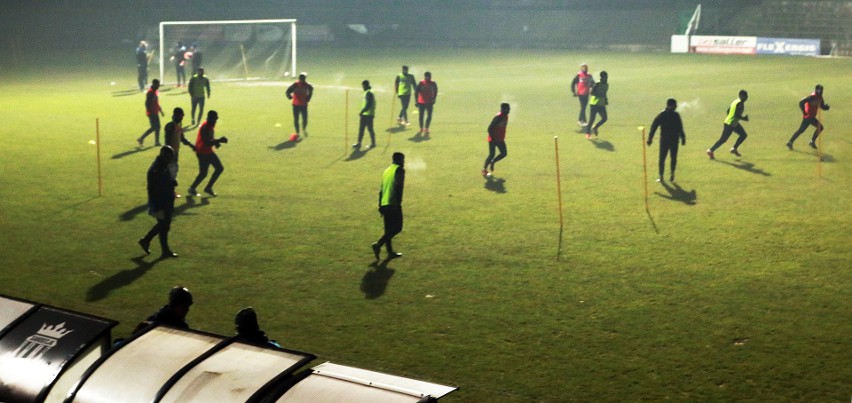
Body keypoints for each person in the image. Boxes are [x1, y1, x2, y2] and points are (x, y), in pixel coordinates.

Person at [138, 146, 179, 258]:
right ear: (164, 156)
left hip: (165, 200)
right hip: (159, 201)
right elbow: (156, 188)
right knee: (164, 224)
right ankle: (164, 250)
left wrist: (172, 184)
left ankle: (146, 241)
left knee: (164, 224)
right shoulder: (156, 169)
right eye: (169, 157)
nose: (171, 160)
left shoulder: (162, 166)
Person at [372, 152, 406, 260]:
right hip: (393, 203)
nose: (404, 162)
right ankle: (378, 244)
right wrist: (398, 203)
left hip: (384, 203)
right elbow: (398, 186)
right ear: (400, 160)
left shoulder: (387, 170)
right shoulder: (399, 170)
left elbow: (381, 189)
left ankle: (390, 252)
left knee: (388, 229)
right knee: (397, 227)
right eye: (403, 160)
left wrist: (380, 205)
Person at [188, 110, 228, 197]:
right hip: (202, 152)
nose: (215, 121)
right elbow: (206, 142)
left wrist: (216, 142)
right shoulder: (206, 126)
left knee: (218, 168)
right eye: (214, 119)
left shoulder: (209, 125)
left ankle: (205, 188)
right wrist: (219, 140)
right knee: (205, 172)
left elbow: (210, 138)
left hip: (207, 151)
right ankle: (194, 188)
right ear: (210, 118)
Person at [647, 98, 686, 182]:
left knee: (662, 159)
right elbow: (680, 128)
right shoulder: (676, 115)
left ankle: (661, 176)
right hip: (674, 140)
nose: (676, 107)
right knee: (673, 158)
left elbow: (653, 127)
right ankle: (672, 174)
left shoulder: (661, 115)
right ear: (671, 105)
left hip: (664, 140)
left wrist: (650, 138)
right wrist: (683, 138)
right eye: (675, 105)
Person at [163, 107, 196, 198]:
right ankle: (169, 192)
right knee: (171, 172)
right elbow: (168, 140)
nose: (182, 117)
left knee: (172, 172)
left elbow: (182, 138)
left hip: (175, 152)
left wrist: (191, 146)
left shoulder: (178, 125)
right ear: (176, 115)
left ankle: (168, 191)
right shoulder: (171, 125)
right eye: (181, 116)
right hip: (170, 153)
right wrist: (169, 153)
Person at [707, 90, 749, 159]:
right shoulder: (739, 104)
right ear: (742, 96)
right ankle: (710, 150)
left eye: (746, 96)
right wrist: (744, 118)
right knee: (723, 139)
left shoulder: (736, 101)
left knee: (743, 135)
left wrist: (731, 118)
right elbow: (736, 115)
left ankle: (734, 148)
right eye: (745, 96)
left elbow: (728, 111)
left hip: (733, 123)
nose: (746, 98)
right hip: (730, 124)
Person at [786, 84, 831, 150]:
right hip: (808, 117)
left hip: (812, 117)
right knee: (802, 130)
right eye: (820, 91)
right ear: (816, 91)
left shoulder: (820, 98)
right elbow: (801, 103)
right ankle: (791, 142)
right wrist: (804, 112)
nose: (821, 92)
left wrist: (826, 107)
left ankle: (810, 141)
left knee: (819, 128)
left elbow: (821, 106)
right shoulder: (812, 97)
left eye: (822, 91)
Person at [482, 103, 510, 177]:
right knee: (491, 154)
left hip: (500, 139)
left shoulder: (505, 116)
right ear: (503, 109)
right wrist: (493, 138)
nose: (509, 110)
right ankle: (484, 170)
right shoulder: (499, 117)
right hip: (493, 139)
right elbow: (490, 128)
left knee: (504, 153)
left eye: (509, 109)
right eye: (507, 109)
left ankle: (493, 161)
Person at [285, 72, 313, 139]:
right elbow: (288, 91)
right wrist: (289, 96)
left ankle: (303, 129)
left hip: (303, 105)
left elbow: (310, 92)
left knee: (304, 119)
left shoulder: (308, 86)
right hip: (296, 105)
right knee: (296, 119)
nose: (302, 79)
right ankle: (297, 132)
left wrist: (308, 99)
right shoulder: (295, 85)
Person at [137, 79, 165, 147]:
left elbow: (156, 102)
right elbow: (147, 103)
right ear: (155, 84)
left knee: (154, 127)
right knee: (157, 127)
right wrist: (150, 111)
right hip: (152, 112)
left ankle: (141, 138)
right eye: (158, 85)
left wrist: (160, 110)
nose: (158, 86)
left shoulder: (154, 91)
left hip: (154, 111)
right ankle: (156, 142)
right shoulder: (150, 92)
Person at [584, 70, 609, 139]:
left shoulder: (607, 84)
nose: (606, 78)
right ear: (602, 77)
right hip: (594, 103)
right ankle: (588, 133)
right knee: (592, 119)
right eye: (605, 77)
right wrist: (599, 95)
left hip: (601, 104)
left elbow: (604, 93)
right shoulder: (597, 83)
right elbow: (592, 93)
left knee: (605, 118)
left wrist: (606, 99)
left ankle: (595, 127)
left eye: (607, 77)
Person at [352, 80, 376, 149]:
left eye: (363, 86)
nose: (362, 88)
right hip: (367, 114)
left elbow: (368, 104)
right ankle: (359, 143)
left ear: (366, 85)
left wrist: (362, 111)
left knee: (370, 129)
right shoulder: (368, 92)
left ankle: (373, 143)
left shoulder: (369, 93)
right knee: (361, 129)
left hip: (368, 115)